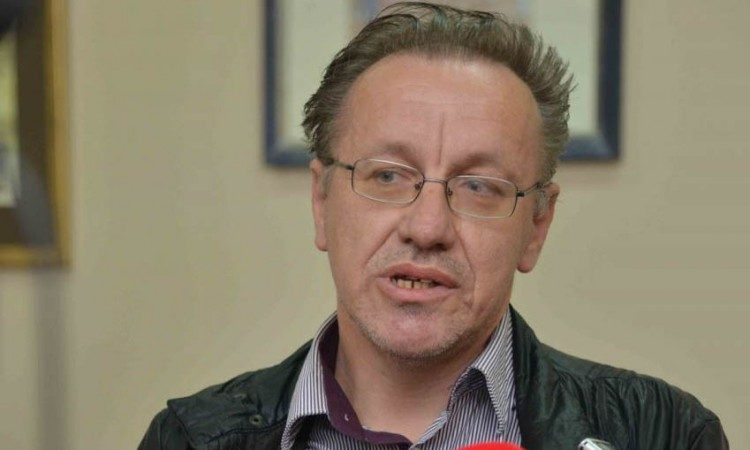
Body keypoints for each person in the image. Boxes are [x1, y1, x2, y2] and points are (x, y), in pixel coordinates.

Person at [139, 3, 728, 449]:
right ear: (321, 201)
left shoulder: (663, 432)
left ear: (536, 227)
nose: (426, 227)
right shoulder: (188, 439)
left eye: (479, 186)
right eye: (387, 176)